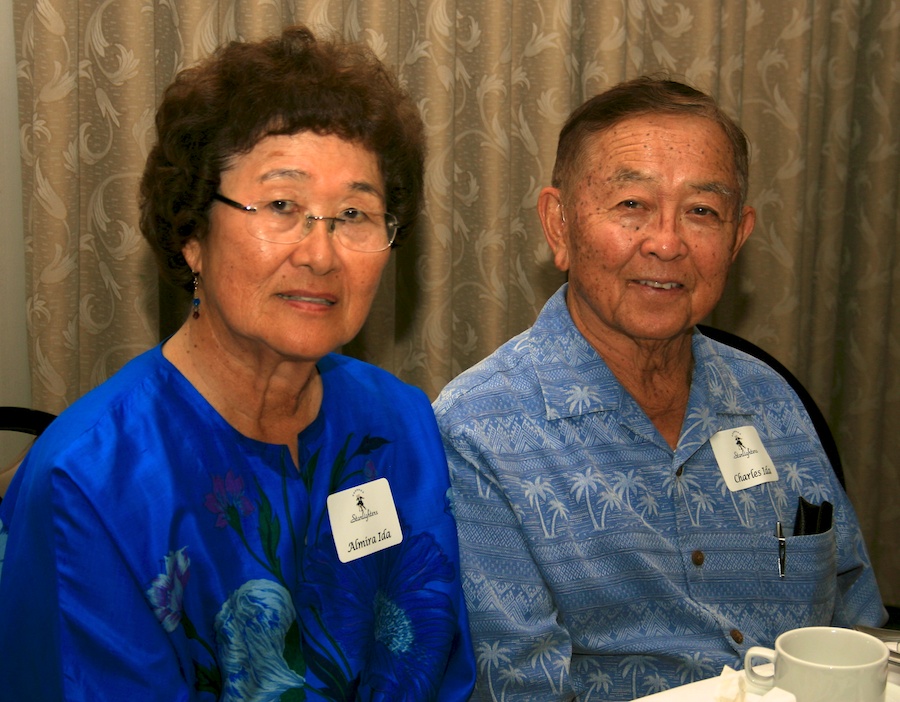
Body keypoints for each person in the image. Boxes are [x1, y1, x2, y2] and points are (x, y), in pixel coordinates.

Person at [0, 26, 475, 701]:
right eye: (282, 205)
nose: (321, 253)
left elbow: (435, 667)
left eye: (355, 214)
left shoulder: (398, 423)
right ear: (193, 230)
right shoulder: (91, 481)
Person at [433, 77, 886, 701]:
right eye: (631, 206)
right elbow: (518, 688)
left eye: (702, 211)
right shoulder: (479, 432)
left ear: (738, 237)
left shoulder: (771, 398)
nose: (668, 243)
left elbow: (858, 625)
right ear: (558, 226)